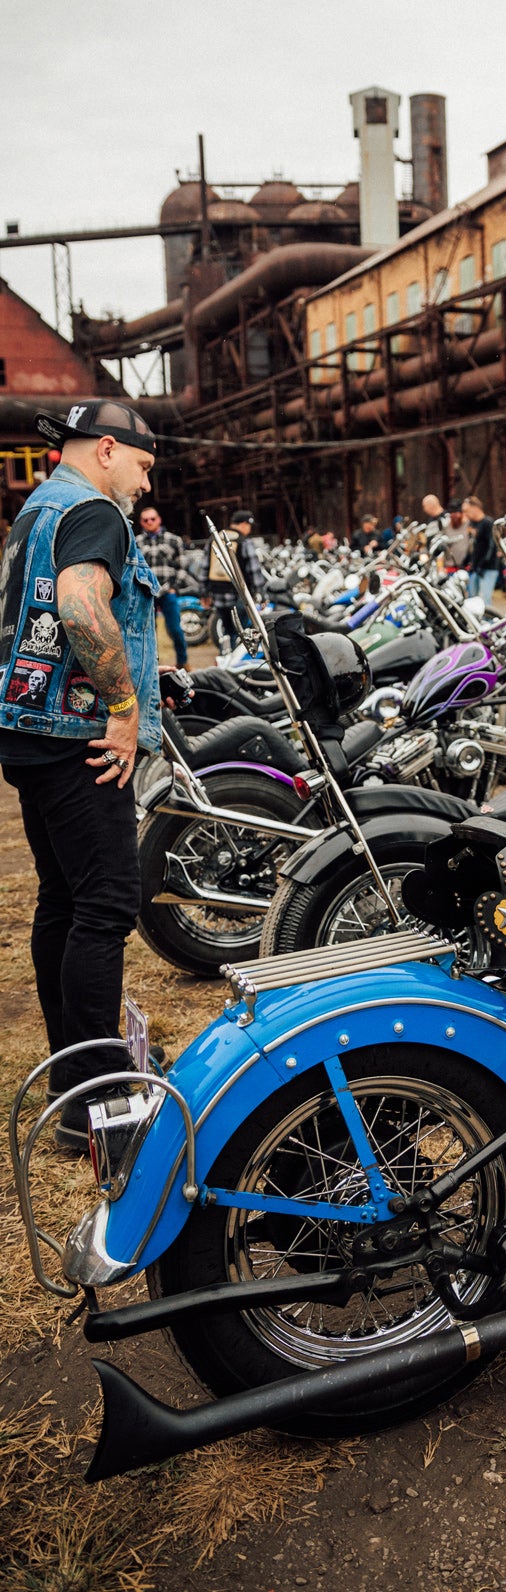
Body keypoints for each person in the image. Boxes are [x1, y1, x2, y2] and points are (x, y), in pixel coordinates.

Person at [0, 401, 161, 1153]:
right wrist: (125, 708)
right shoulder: (94, 510)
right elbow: (78, 604)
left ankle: (74, 1083)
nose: (145, 481)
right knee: (106, 905)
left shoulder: (37, 508)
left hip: (28, 731)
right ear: (106, 449)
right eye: (143, 464)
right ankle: (101, 1109)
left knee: (64, 901)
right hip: (76, 737)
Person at [204, 507, 266, 654]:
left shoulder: (215, 538)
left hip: (218, 593)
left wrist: (204, 592)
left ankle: (224, 656)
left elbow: (204, 568)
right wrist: (261, 593)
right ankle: (236, 664)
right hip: (238, 594)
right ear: (244, 524)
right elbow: (254, 570)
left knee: (226, 630)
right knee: (241, 631)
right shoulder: (244, 541)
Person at [137, 505, 190, 668]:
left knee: (175, 629)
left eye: (152, 519)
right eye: (145, 520)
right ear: (141, 522)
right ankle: (152, 665)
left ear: (159, 519)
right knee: (147, 632)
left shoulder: (174, 540)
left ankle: (183, 662)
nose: (149, 522)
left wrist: (174, 587)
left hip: (168, 591)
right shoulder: (136, 541)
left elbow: (182, 565)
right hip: (146, 593)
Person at [462, 495, 499, 603]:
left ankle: (488, 619)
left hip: (488, 568)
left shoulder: (488, 523)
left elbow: (492, 545)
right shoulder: (472, 524)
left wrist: (483, 563)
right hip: (475, 567)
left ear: (475, 508)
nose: (465, 514)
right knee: (472, 598)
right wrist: (467, 561)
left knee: (484, 598)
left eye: (467, 511)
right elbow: (473, 545)